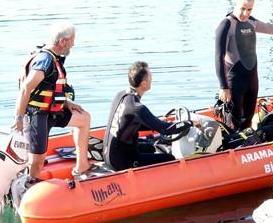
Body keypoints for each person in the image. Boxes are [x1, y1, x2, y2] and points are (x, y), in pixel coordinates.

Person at [14, 22, 95, 180]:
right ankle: (30, 187)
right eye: (72, 40)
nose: (73, 44)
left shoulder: (55, 58)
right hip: (37, 116)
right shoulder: (45, 60)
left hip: (52, 112)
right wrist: (19, 118)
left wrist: (66, 103)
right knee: (37, 162)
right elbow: (26, 88)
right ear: (63, 41)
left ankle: (82, 166)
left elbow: (50, 88)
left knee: (84, 119)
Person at [215, 0, 273, 130]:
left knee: (248, 119)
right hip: (234, 81)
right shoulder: (226, 25)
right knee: (234, 123)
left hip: (252, 79)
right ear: (235, 5)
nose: (245, 13)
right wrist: (223, 87)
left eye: (249, 9)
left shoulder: (251, 22)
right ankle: (232, 147)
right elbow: (218, 56)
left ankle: (247, 146)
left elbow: (267, 27)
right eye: (242, 8)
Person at [103, 61, 191, 172]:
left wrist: (155, 122)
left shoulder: (121, 95)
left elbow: (129, 122)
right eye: (150, 76)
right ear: (144, 83)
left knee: (150, 146)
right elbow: (167, 129)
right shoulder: (137, 107)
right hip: (121, 161)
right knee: (169, 158)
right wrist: (190, 123)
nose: (152, 78)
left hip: (111, 153)